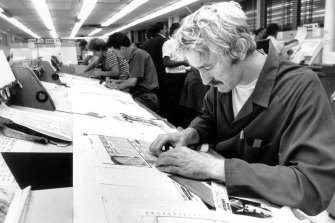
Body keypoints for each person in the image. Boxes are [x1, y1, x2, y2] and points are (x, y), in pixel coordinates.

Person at [149, 1, 335, 216]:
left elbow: (312, 187)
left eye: (208, 67)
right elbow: (210, 118)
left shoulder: (300, 87)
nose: (204, 79)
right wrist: (191, 134)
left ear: (238, 49)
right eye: (198, 69)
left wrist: (215, 168)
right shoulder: (223, 82)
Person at [105, 32, 160, 112]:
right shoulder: (136, 54)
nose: (116, 55)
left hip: (146, 98)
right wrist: (118, 82)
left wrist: (115, 87)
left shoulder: (138, 55)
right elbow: (138, 80)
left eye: (115, 52)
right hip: (143, 96)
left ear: (122, 49)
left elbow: (132, 82)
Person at [162, 23, 190, 127]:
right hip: (173, 77)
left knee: (180, 103)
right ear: (174, 32)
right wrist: (183, 62)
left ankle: (177, 125)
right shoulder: (168, 43)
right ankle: (170, 125)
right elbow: (166, 63)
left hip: (182, 75)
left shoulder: (180, 44)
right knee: (173, 103)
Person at [142, 22, 168, 114]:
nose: (166, 31)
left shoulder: (146, 43)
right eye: (165, 29)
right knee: (164, 97)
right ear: (161, 30)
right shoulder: (164, 41)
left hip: (149, 75)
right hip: (162, 73)